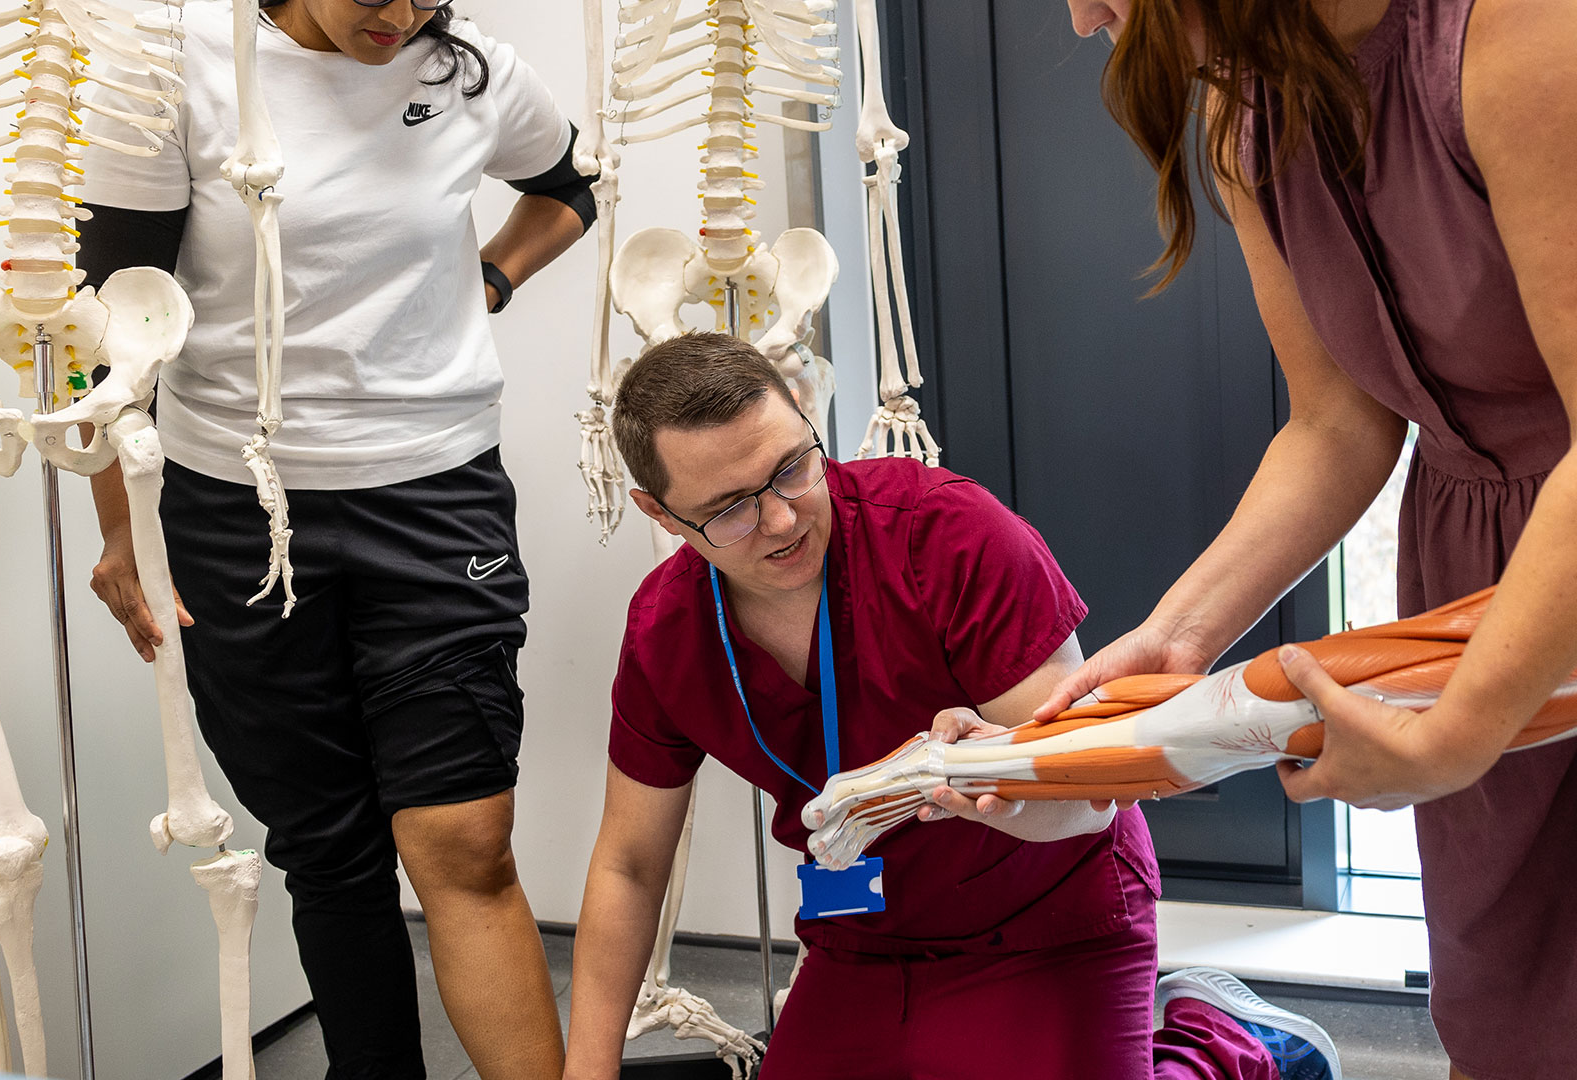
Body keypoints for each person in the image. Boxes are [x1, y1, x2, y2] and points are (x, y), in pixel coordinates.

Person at [561, 333, 1340, 1080]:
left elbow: (1090, 805)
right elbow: (629, 865)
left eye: (794, 468)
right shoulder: (666, 631)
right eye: (729, 508)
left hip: (1047, 914)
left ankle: (1225, 1045)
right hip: (860, 935)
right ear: (661, 514)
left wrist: (983, 785)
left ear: (806, 422)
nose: (782, 519)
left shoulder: (948, 536)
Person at [1049, 0, 1577, 1075]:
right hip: (1473, 567)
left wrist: (1458, 730)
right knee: (1509, 1003)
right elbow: (1339, 421)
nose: (1081, 17)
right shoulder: (1247, 110)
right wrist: (1178, 639)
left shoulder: (1517, 35)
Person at [74, 1, 594, 1076]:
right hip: (235, 507)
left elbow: (566, 191)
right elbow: (114, 319)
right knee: (331, 854)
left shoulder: (470, 71)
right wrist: (121, 533)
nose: (397, 16)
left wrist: (489, 277)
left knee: (465, 843)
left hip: (437, 496)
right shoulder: (173, 67)